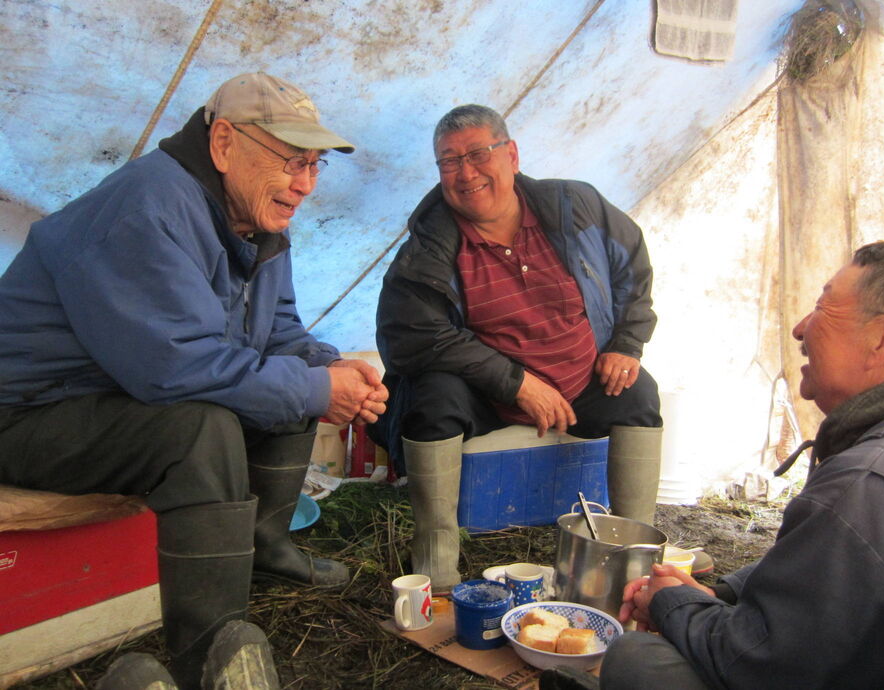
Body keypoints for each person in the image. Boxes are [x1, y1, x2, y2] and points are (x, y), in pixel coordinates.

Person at [0, 72, 387, 688]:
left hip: (112, 400)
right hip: (28, 414)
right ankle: (213, 653)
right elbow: (176, 369)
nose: (305, 184)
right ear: (225, 142)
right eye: (291, 160)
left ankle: (266, 548)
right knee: (199, 429)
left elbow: (279, 332)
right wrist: (317, 388)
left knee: (296, 380)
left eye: (315, 165)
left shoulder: (257, 222)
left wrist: (333, 369)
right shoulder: (146, 207)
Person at [541, 240, 884, 690]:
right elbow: (820, 573)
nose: (800, 329)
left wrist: (675, 605)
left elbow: (763, 664)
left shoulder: (863, 487)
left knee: (637, 658)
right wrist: (723, 593)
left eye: (822, 307)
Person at [373, 104, 663, 593]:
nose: (466, 173)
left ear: (511, 153)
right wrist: (516, 382)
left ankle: (635, 555)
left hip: (579, 379)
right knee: (433, 398)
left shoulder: (576, 206)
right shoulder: (431, 242)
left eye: (478, 154)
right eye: (449, 161)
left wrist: (627, 343)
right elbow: (411, 334)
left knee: (640, 394)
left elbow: (630, 266)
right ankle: (436, 563)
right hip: (487, 393)